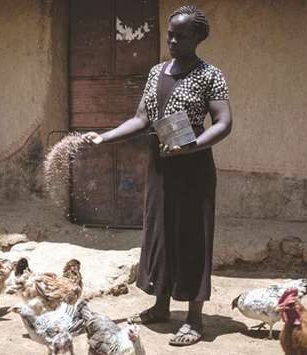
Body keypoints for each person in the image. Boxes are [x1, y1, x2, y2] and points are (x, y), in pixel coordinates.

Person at [82, 5, 233, 346]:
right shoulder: (156, 72)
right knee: (160, 234)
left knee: (193, 237)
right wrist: (104, 136)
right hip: (161, 165)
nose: (173, 40)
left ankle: (194, 320)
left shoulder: (210, 75)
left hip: (193, 168)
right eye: (170, 34)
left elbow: (224, 123)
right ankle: (161, 305)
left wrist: (191, 146)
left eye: (181, 35)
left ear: (198, 38)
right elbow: (141, 119)